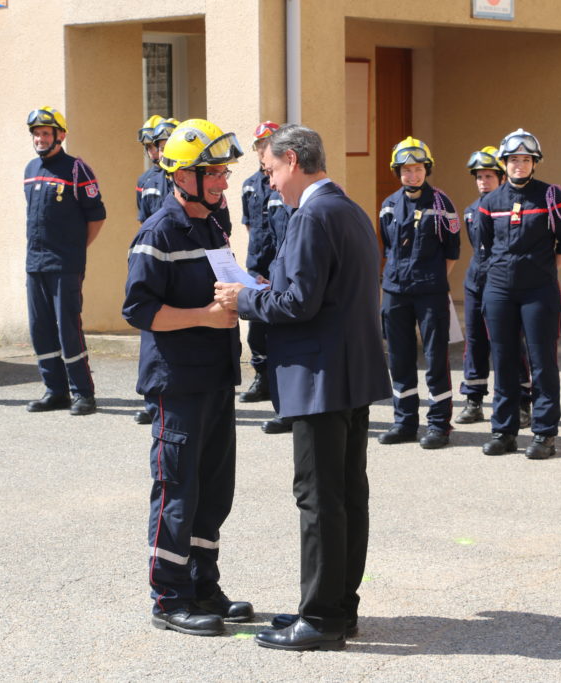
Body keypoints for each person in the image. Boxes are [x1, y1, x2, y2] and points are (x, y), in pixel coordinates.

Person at [215, 125, 391, 651]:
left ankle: (319, 619)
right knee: (344, 494)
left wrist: (242, 300)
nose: (269, 184)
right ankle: (339, 606)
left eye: (269, 171)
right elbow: (321, 291)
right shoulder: (348, 208)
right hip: (346, 372)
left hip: (320, 377)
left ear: (293, 160)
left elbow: (299, 304)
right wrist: (272, 289)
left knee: (318, 499)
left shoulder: (314, 215)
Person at [123, 118, 253, 638]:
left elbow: (223, 280)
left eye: (224, 172)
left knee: (213, 489)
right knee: (176, 489)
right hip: (178, 382)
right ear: (184, 176)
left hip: (216, 377)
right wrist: (204, 315)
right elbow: (138, 310)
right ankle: (169, 598)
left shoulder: (211, 224)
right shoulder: (159, 230)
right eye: (214, 173)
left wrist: (249, 290)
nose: (224, 182)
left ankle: (203, 585)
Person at [476, 129, 561, 459]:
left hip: (539, 291)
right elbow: (485, 247)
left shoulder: (553, 196)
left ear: (535, 163)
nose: (519, 165)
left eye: (525, 160)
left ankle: (544, 433)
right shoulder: (490, 202)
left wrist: (542, 269)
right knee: (503, 360)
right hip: (500, 291)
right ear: (504, 164)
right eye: (513, 160)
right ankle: (503, 431)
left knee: (542, 361)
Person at [377, 137, 460, 450]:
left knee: (436, 357)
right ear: (397, 171)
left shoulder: (442, 204)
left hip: (430, 293)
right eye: (405, 170)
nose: (412, 175)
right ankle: (404, 422)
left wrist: (432, 279)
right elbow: (387, 245)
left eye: (417, 168)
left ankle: (439, 425)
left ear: (427, 169)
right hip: (395, 291)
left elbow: (452, 251)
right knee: (399, 358)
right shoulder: (388, 205)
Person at [23, 107, 106, 416]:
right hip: (35, 263)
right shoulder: (30, 168)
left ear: (60, 135)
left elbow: (96, 216)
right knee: (40, 328)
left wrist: (75, 250)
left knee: (67, 329)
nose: (40, 138)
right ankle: (54, 390)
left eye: (46, 133)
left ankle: (83, 393)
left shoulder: (76, 169)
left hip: (65, 265)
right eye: (36, 133)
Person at [457, 147, 532, 428]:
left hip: (505, 284)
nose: (483, 182)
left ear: (501, 178)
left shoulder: (512, 207)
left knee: (512, 344)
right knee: (475, 341)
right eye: (478, 177)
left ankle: (523, 401)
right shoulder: (470, 212)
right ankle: (474, 399)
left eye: (489, 176)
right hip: (477, 282)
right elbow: (478, 248)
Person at [239, 121, 295, 435]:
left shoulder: (284, 185)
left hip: (279, 272)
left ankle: (285, 401)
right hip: (257, 267)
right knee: (256, 332)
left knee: (280, 335)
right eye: (259, 145)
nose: (263, 149)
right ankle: (262, 379)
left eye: (267, 144)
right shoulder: (250, 184)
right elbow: (251, 227)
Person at [132, 117, 178, 426]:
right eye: (153, 146)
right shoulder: (146, 180)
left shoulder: (185, 177)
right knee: (151, 336)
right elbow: (143, 223)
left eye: (161, 145)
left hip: (180, 264)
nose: (156, 152)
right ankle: (153, 401)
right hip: (155, 263)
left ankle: (176, 398)